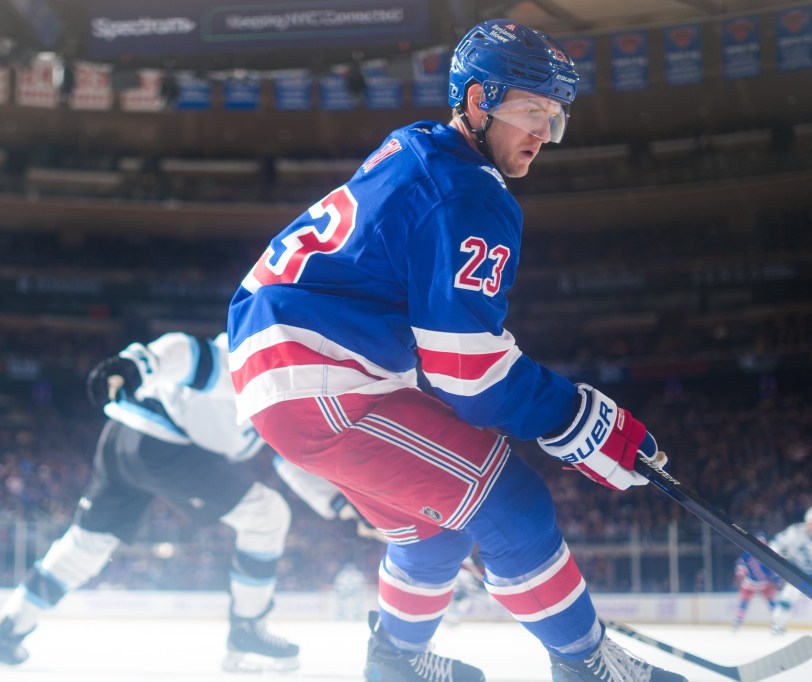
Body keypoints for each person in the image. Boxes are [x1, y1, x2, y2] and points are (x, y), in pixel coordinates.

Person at [227, 18, 686, 682]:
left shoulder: (415, 146)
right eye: (531, 111)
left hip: (295, 365)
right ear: (477, 99)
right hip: (316, 372)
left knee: (434, 530)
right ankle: (589, 667)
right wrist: (582, 419)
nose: (542, 135)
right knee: (512, 499)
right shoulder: (470, 191)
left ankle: (397, 665)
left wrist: (568, 421)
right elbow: (468, 374)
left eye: (554, 120)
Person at [0, 331, 355, 673]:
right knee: (266, 515)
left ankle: (5, 636)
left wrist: (342, 504)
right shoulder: (269, 362)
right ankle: (248, 630)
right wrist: (135, 365)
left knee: (86, 545)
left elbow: (290, 454)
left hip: (122, 436)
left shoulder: (286, 383)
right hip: (161, 443)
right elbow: (188, 352)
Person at [768, 506, 812, 635]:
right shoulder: (795, 532)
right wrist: (777, 554)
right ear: (806, 523)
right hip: (798, 571)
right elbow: (776, 543)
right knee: (787, 598)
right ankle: (777, 625)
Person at [730, 532, 782, 632]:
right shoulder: (748, 553)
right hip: (749, 583)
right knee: (744, 602)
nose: (761, 544)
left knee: (772, 602)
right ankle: (738, 622)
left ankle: (778, 621)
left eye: (763, 542)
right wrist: (740, 574)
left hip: (764, 583)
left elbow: (774, 570)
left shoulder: (769, 554)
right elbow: (741, 565)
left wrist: (777, 580)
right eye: (759, 541)